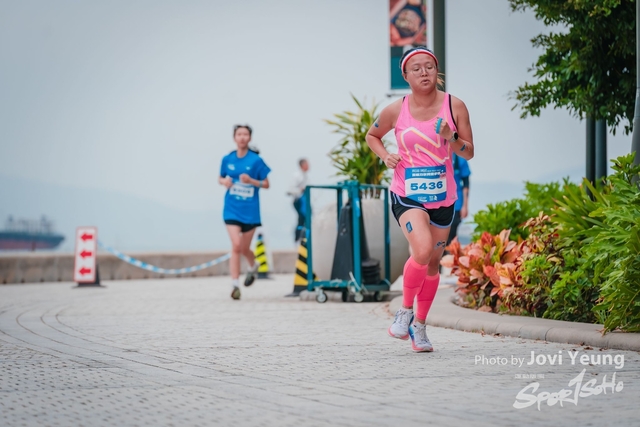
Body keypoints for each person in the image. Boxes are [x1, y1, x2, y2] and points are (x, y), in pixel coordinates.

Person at [366, 46, 474, 352]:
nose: (424, 72)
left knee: (432, 265)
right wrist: (385, 155)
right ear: (406, 75)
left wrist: (452, 137)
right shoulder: (395, 110)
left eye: (429, 67)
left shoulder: (455, 106)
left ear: (436, 71)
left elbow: (468, 152)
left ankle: (420, 327)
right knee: (423, 249)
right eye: (416, 68)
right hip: (407, 193)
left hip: (444, 197)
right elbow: (372, 136)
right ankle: (404, 311)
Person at [219, 125, 271, 300]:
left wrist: (251, 181)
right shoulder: (227, 159)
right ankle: (235, 285)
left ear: (250, 137)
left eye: (245, 134)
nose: (242, 137)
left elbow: (266, 184)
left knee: (244, 248)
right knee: (236, 246)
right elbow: (220, 177)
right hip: (231, 210)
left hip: (250, 212)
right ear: (234, 137)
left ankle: (253, 265)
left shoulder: (256, 160)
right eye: (239, 134)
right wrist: (224, 182)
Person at [447, 153, 471, 246]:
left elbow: (466, 184)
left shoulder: (460, 159)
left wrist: (465, 206)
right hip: (439, 201)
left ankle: (449, 253)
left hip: (456, 203)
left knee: (451, 234)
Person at [287, 158, 309, 242]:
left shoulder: (305, 176)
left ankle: (304, 238)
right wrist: (301, 190)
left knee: (306, 219)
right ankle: (298, 238)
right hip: (299, 201)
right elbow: (290, 190)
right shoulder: (297, 176)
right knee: (301, 219)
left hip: (305, 201)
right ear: (302, 165)